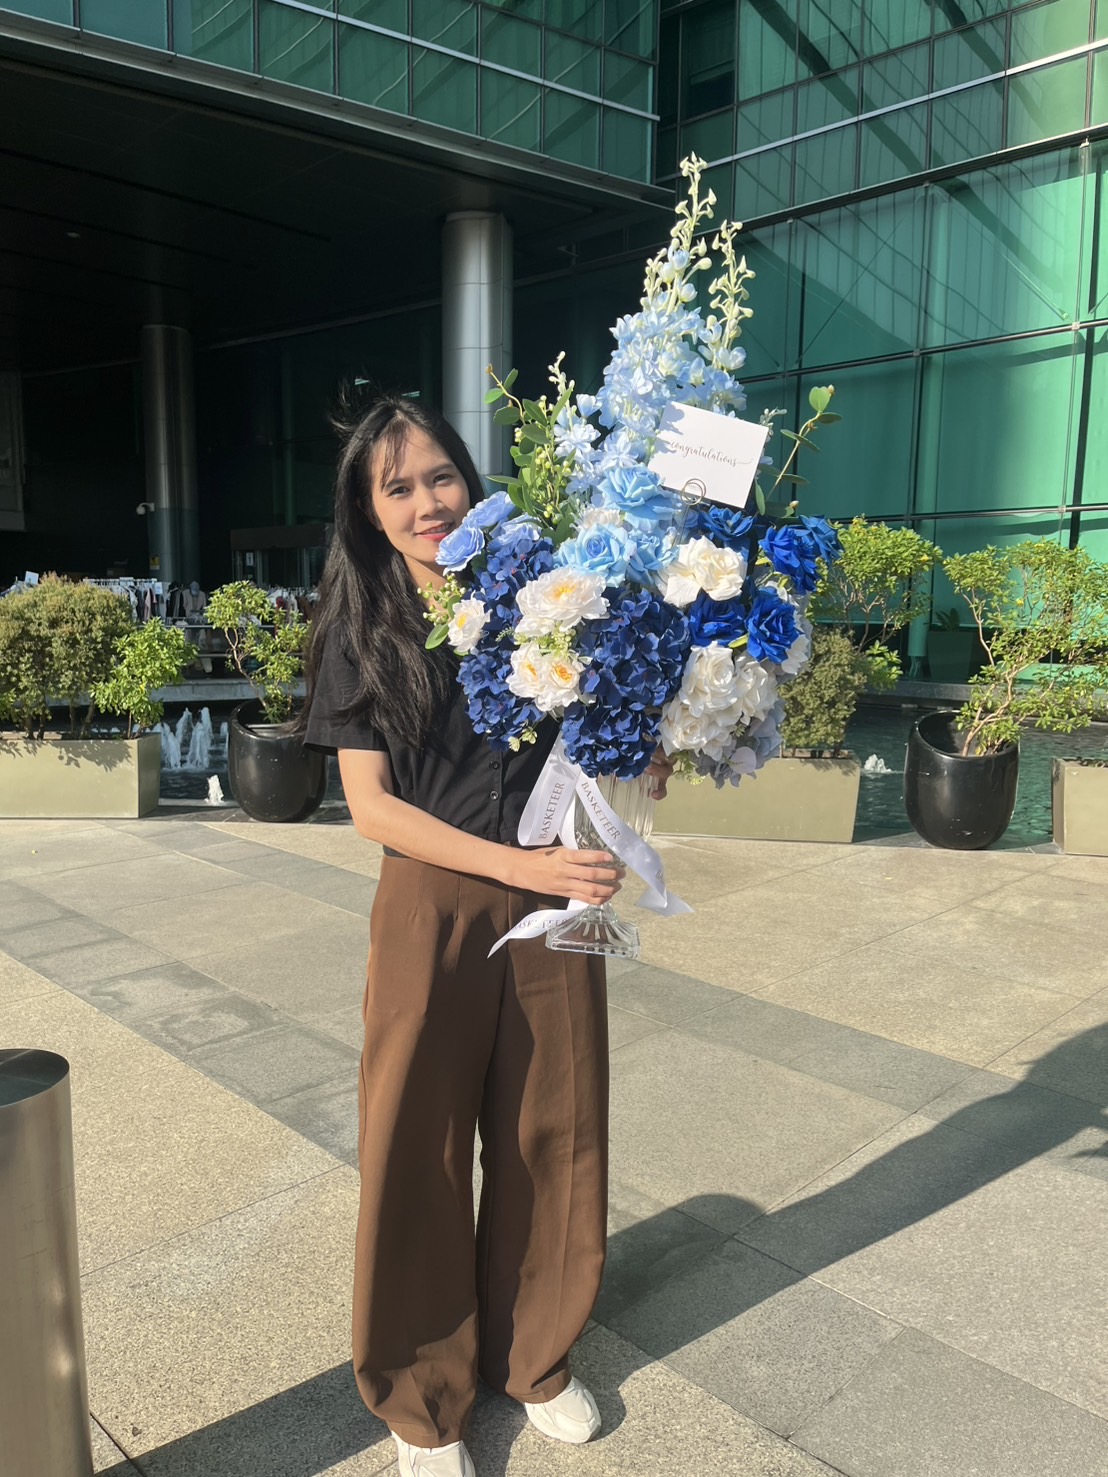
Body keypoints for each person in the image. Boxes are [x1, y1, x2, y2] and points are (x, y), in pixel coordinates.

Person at [300, 396, 671, 1477]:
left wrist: (646, 745)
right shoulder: (360, 627)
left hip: (556, 892)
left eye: (441, 477)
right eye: (399, 488)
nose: (428, 503)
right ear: (369, 511)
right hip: (435, 904)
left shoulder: (537, 590)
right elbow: (371, 807)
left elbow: (586, 723)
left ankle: (535, 1354)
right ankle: (422, 1398)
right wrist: (519, 869)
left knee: (554, 1124)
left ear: (471, 479)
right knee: (415, 1142)